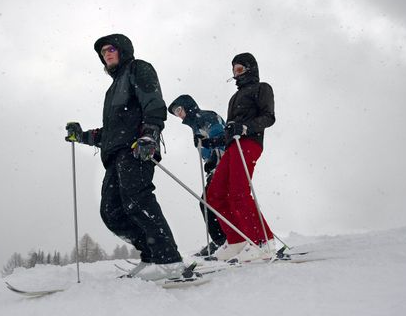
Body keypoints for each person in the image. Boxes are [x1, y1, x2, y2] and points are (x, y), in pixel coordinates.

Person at [65, 34, 186, 281]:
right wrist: (82, 136)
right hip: (115, 155)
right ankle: (151, 254)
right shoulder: (112, 89)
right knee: (110, 211)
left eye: (110, 49)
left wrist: (150, 135)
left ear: (123, 50)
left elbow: (153, 103)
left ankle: (169, 259)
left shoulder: (138, 69)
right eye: (102, 52)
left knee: (136, 200)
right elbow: (110, 132)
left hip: (136, 148)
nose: (106, 54)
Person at [205, 52, 276, 262]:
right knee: (215, 194)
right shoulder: (234, 97)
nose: (236, 75)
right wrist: (215, 142)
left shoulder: (263, 88)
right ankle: (237, 240)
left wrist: (246, 127)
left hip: (249, 142)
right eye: (234, 70)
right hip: (232, 146)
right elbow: (230, 129)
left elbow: (269, 117)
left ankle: (263, 240)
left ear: (250, 69)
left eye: (240, 69)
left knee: (238, 191)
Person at [168, 95, 227, 256]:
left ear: (188, 106)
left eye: (179, 109)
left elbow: (220, 136)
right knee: (210, 203)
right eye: (175, 113)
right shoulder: (195, 125)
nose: (178, 114)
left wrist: (215, 159)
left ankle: (223, 241)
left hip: (222, 164)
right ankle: (224, 240)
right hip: (214, 167)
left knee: (208, 203)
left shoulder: (206, 117)